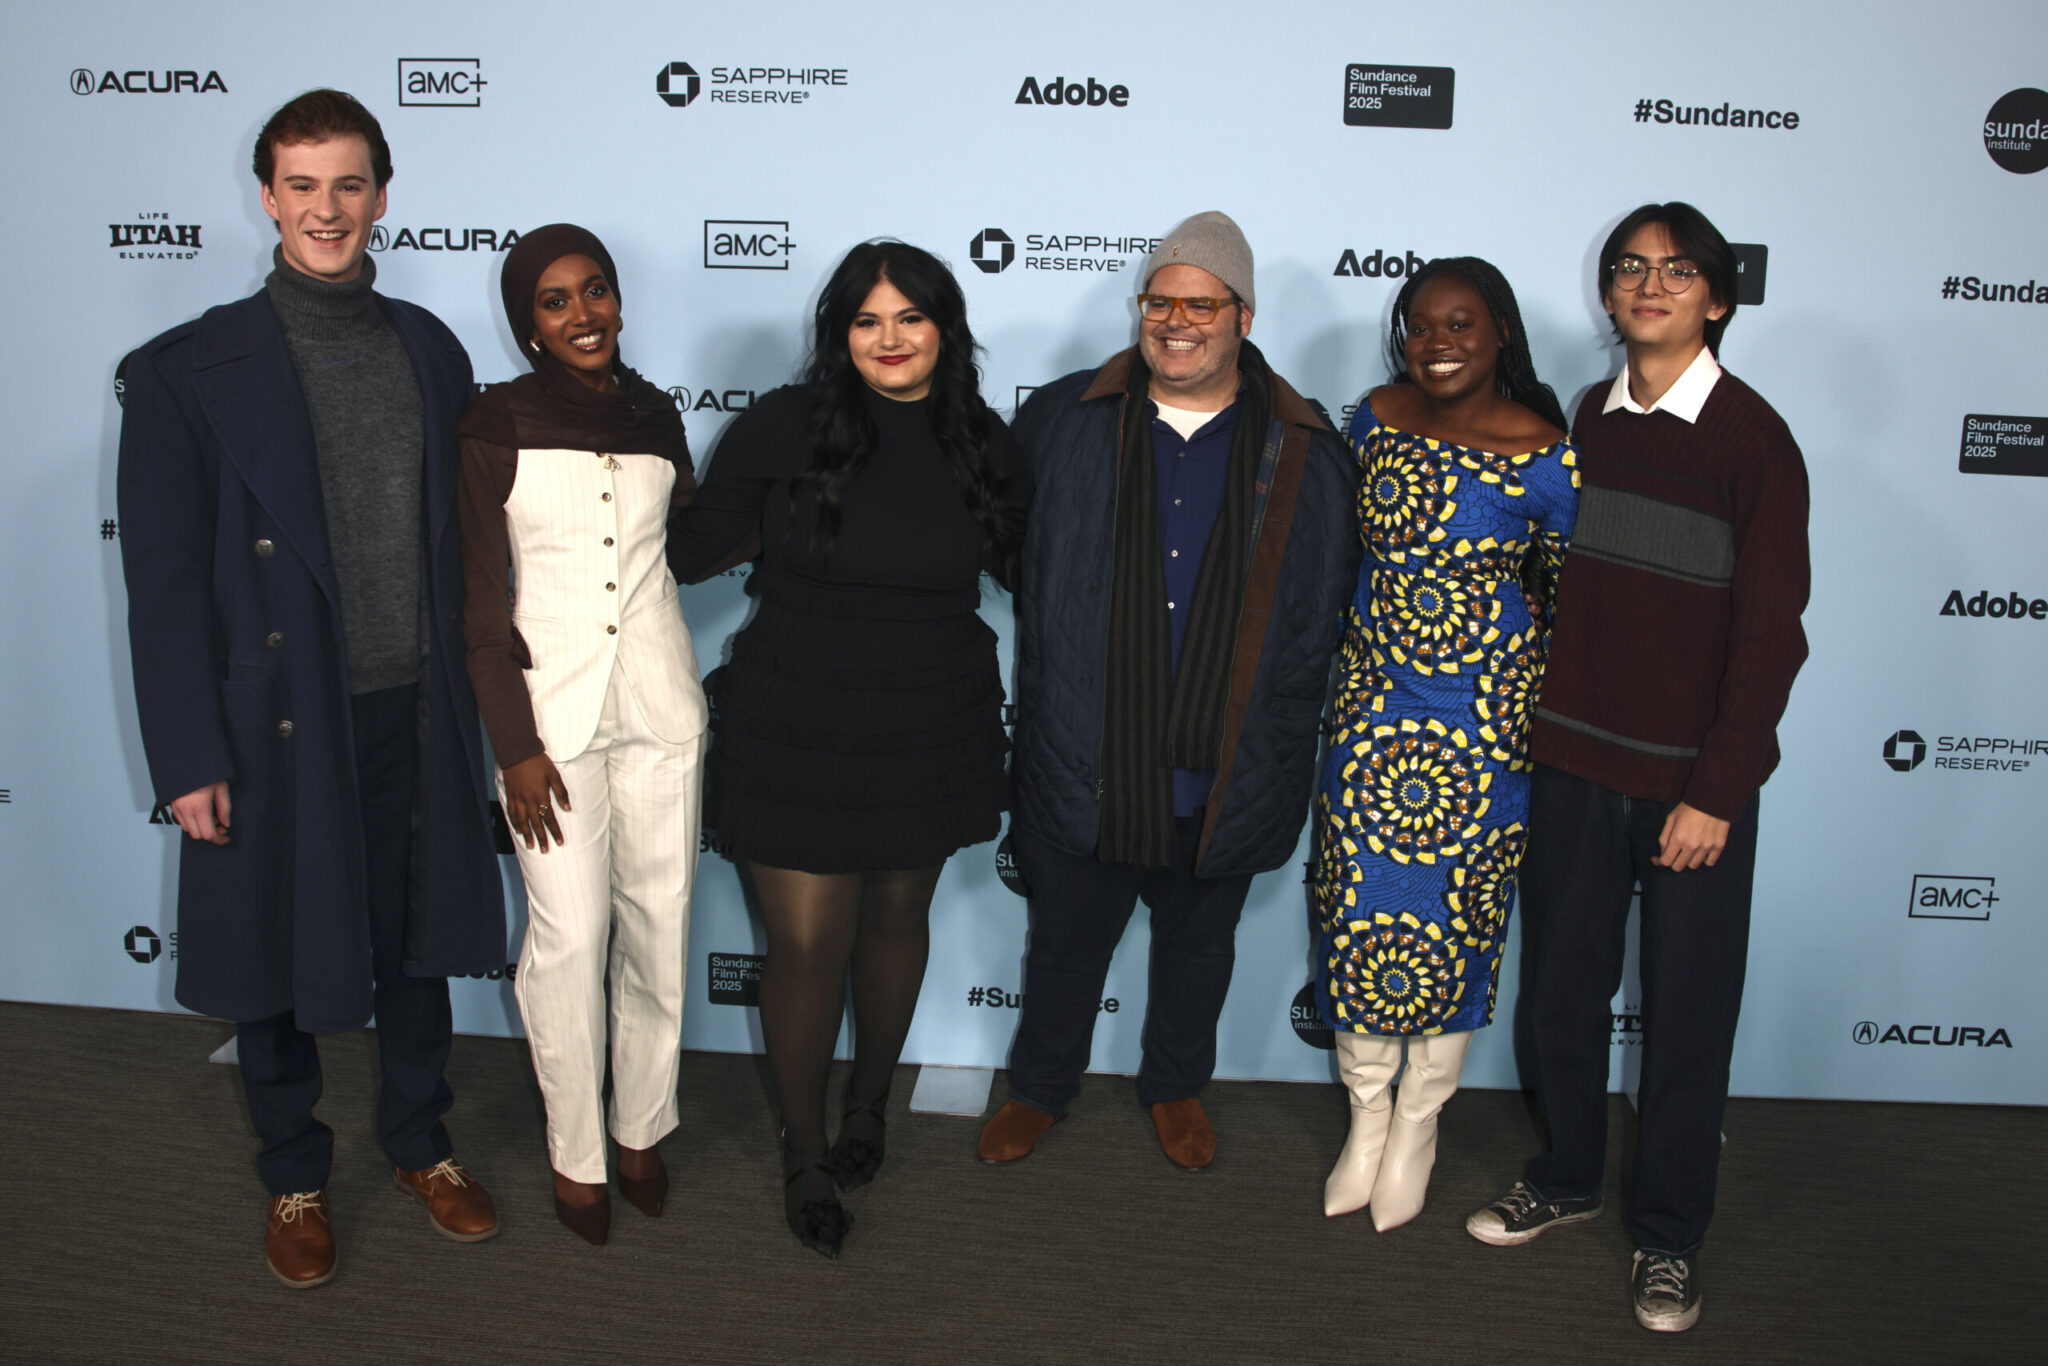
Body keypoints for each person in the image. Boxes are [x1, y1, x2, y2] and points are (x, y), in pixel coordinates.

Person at [116, 89, 505, 1289]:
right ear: (268, 196)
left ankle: (419, 1143)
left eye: (348, 185)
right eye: (301, 185)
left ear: (382, 196)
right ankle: (293, 1167)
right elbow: (165, 585)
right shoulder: (187, 371)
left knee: (419, 938)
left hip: (413, 705)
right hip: (270, 720)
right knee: (273, 948)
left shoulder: (430, 349)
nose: (326, 209)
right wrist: (187, 754)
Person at [1463, 203, 1809, 1334]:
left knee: (1686, 1014)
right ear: (1606, 294)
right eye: (1628, 267)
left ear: (1715, 296)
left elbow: (1768, 638)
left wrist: (1715, 788)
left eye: (1675, 270)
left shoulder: (1754, 440)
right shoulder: (1585, 419)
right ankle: (1563, 1177)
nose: (1648, 284)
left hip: (1688, 789)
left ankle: (1666, 1236)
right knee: (1560, 991)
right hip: (1569, 762)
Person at [978, 211, 1362, 1172]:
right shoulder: (1066, 418)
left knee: (1199, 947)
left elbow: (1323, 603)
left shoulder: (1309, 445)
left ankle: (1176, 1085)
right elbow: (1012, 551)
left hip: (1230, 757)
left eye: (1202, 303)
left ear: (1242, 315)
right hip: (1090, 744)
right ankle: (1041, 1088)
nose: (1177, 321)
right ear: (1140, 309)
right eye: (1161, 300)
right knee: (1066, 944)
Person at [666, 241, 1028, 1258]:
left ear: (944, 328)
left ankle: (868, 1107)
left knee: (895, 917)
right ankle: (805, 1150)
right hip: (796, 713)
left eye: (909, 317)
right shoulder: (782, 425)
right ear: (840, 334)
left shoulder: (980, 440)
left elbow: (1045, 565)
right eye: (867, 321)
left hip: (928, 711)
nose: (889, 339)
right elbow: (687, 550)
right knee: (808, 943)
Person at [1312, 258, 1578, 1232]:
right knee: (1355, 918)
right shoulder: (1372, 420)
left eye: (1459, 324)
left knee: (1453, 927)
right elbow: (1328, 554)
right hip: (1368, 727)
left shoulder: (1547, 457)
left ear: (1499, 332)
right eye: (1419, 325)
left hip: (1481, 742)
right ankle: (1364, 1116)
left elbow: (1567, 606)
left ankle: (1417, 1123)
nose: (1436, 343)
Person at [457, 225, 707, 1246]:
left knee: (660, 921)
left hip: (660, 708)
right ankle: (576, 1150)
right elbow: (478, 596)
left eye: (594, 291)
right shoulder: (493, 422)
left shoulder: (657, 416)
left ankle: (641, 1124)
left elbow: (686, 545)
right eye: (556, 301)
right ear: (528, 325)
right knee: (566, 941)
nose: (582, 314)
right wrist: (513, 744)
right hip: (548, 730)